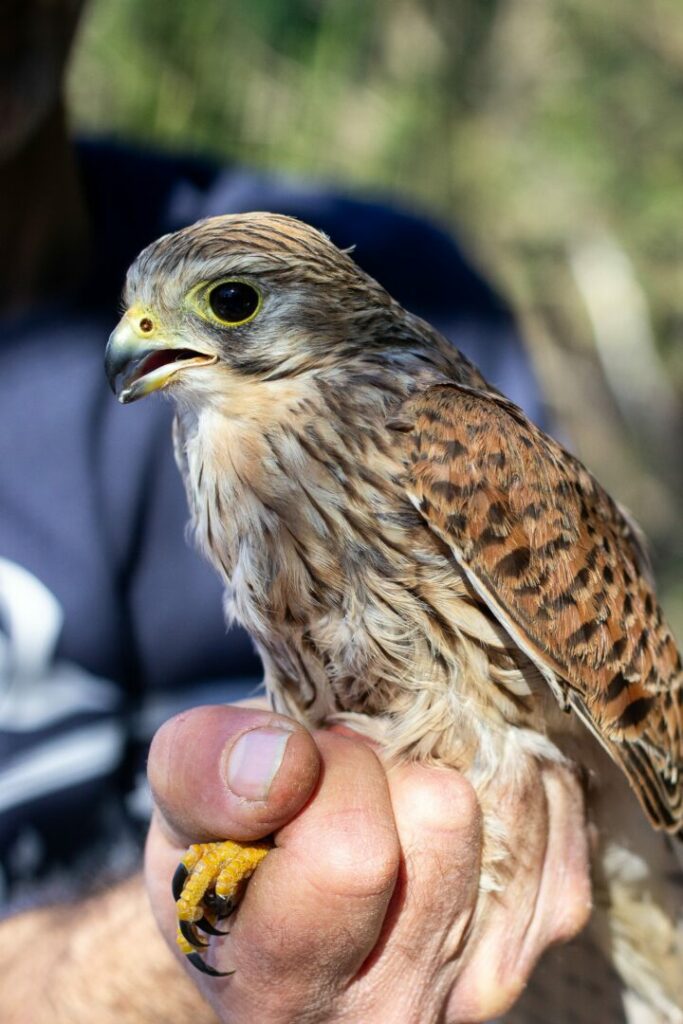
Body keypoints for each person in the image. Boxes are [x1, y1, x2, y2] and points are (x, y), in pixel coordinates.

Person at [0, 2, 601, 1022]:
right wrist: (176, 953)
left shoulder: (417, 346)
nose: (140, 335)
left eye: (225, 306)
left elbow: (596, 737)